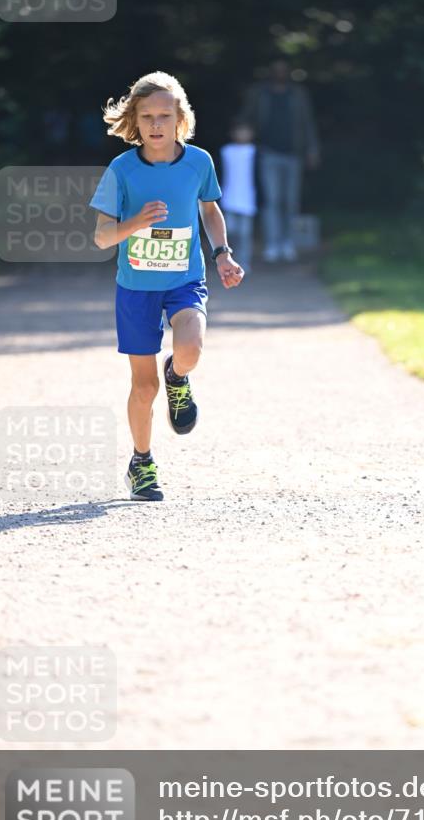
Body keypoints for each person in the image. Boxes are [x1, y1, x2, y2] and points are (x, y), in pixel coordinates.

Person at [89, 71, 244, 502]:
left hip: (184, 279)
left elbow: (210, 211)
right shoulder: (122, 170)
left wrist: (223, 254)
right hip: (136, 287)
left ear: (180, 118)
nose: (156, 124)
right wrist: (134, 224)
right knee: (143, 387)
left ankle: (178, 377)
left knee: (191, 346)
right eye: (147, 116)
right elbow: (102, 236)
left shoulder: (198, 162)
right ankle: (141, 462)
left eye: (164, 115)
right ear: (134, 122)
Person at [242, 59, 319, 262]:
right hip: (268, 152)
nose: (279, 73)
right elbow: (248, 117)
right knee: (272, 199)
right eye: (276, 70)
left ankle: (288, 243)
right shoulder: (260, 93)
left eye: (283, 70)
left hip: (294, 154)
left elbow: (307, 122)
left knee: (290, 201)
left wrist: (312, 148)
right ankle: (272, 244)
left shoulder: (298, 94)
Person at [219, 122, 257, 273]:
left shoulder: (254, 151)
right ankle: (228, 260)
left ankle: (244, 262)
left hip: (248, 198)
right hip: (229, 197)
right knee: (229, 231)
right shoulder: (226, 151)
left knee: (245, 233)